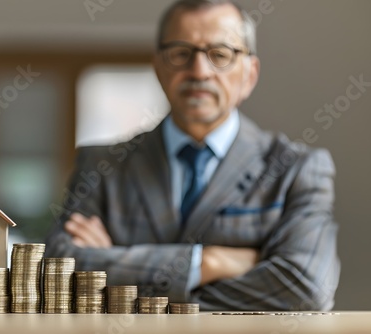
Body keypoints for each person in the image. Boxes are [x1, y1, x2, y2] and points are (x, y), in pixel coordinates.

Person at [45, 0, 340, 311]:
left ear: (249, 74)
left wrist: (118, 271)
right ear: (158, 66)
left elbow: (306, 288)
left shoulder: (297, 169)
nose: (199, 71)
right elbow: (58, 269)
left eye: (220, 55)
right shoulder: (101, 164)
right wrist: (209, 261)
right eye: (181, 53)